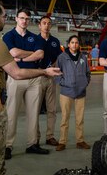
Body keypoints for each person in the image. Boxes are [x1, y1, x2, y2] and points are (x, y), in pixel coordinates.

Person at [0, 0, 61, 175]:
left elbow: (25, 54)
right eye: (3, 16)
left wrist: (20, 57)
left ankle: (30, 145)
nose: (4, 19)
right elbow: (16, 72)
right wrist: (44, 71)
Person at [3, 8, 49, 159]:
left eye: (27, 19)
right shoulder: (8, 36)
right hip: (15, 77)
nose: (24, 21)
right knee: (11, 114)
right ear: (16, 18)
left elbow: (40, 54)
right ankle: (7, 146)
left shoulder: (35, 38)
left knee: (33, 114)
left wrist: (22, 58)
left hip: (34, 78)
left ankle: (32, 144)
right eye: (22, 18)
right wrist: (32, 54)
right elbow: (13, 53)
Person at [55, 35, 91, 151]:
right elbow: (57, 73)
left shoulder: (83, 58)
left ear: (78, 45)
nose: (74, 45)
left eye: (76, 43)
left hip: (80, 92)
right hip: (66, 92)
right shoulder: (62, 57)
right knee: (64, 118)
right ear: (68, 44)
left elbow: (87, 73)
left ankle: (80, 141)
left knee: (79, 119)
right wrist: (63, 83)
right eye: (72, 42)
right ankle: (62, 141)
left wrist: (84, 83)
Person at [37, 16, 62, 146]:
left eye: (48, 23)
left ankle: (50, 136)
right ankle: (35, 137)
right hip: (37, 77)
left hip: (51, 77)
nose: (46, 26)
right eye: (44, 23)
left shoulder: (55, 41)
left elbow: (59, 57)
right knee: (35, 109)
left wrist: (53, 68)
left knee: (51, 109)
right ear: (39, 26)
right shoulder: (35, 40)